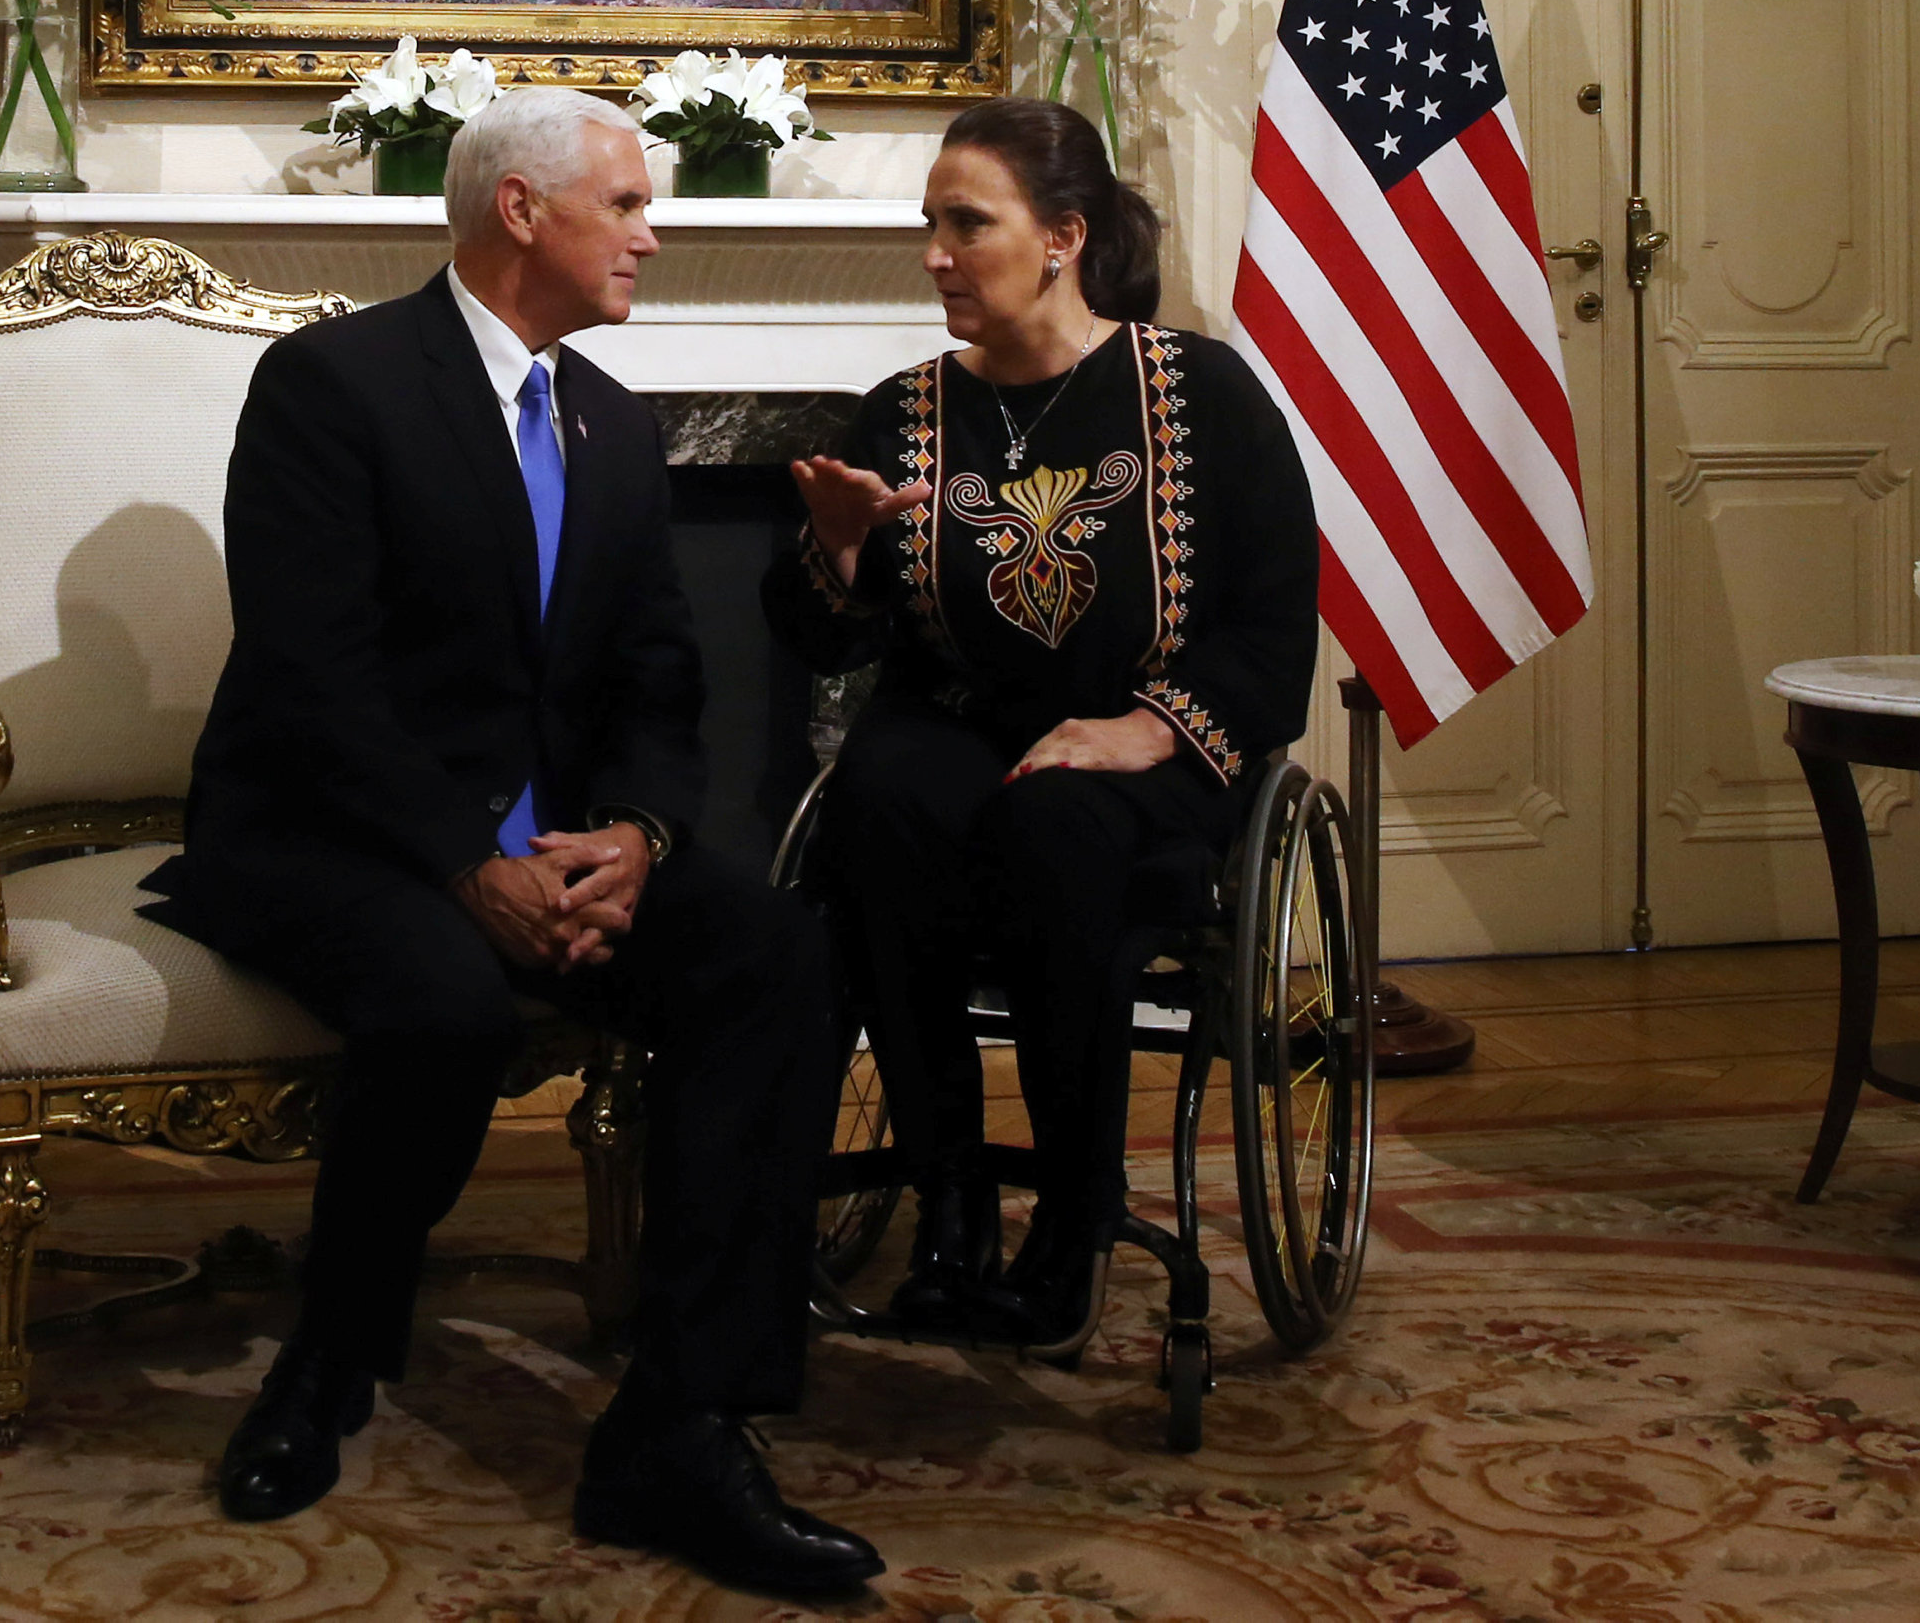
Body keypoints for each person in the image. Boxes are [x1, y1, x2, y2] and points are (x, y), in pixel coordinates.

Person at [142, 86, 878, 1602]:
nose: (653, 240)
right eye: (628, 206)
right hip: (330, 830)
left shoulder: (608, 419)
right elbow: (308, 671)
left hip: (550, 843)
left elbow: (657, 675)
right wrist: (470, 853)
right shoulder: (332, 382)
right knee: (442, 1002)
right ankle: (331, 1364)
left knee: (769, 949)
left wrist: (639, 836)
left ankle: (682, 1420)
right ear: (522, 212)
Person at [763, 96, 1321, 1362]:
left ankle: (1072, 1222)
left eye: (967, 224)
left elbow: (1273, 623)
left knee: (1054, 819)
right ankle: (947, 1201)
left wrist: (1152, 727)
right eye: (929, 226)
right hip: (956, 724)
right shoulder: (900, 413)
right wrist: (838, 556)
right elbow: (827, 644)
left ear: (1062, 236)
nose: (935, 255)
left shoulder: (1201, 393)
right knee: (874, 803)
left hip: (1145, 755)